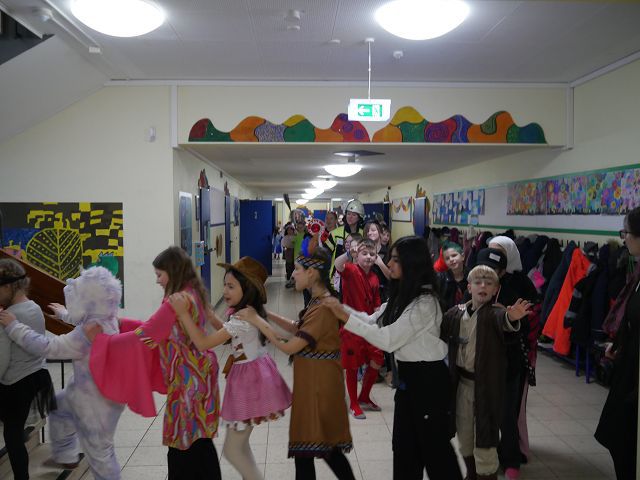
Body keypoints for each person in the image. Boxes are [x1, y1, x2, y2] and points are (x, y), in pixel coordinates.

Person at [326, 236, 463, 480]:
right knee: (404, 451)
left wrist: (343, 317)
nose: (388, 263)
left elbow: (387, 339)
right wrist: (340, 309)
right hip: (408, 383)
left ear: (412, 263)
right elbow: (371, 319)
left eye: (396, 259)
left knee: (436, 454)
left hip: (429, 383)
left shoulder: (425, 303)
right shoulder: (402, 297)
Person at [88, 246, 221, 480]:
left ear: (173, 271)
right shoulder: (193, 292)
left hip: (186, 380)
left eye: (160, 274)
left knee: (181, 445)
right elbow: (155, 328)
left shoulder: (176, 301)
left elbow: (146, 335)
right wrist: (120, 323)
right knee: (200, 438)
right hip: (201, 374)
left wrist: (102, 341)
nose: (157, 280)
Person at [235, 245, 354, 480]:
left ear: (312, 273)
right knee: (311, 450)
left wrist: (259, 322)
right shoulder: (318, 302)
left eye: (297, 269)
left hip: (320, 389)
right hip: (313, 386)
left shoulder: (323, 308)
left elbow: (290, 346)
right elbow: (296, 327)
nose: (293, 274)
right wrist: (265, 314)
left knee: (320, 448)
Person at [168, 257, 291, 480]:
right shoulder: (245, 313)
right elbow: (227, 333)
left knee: (233, 451)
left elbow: (203, 343)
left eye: (231, 286)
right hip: (254, 377)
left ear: (248, 289)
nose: (225, 290)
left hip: (250, 383)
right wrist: (209, 312)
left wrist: (183, 314)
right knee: (239, 448)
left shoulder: (242, 320)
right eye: (225, 284)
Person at [441, 264, 532, 480]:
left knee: (485, 441)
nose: (483, 286)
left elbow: (505, 321)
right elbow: (439, 326)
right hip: (461, 386)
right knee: (464, 438)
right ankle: (471, 475)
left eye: (489, 283)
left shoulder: (495, 314)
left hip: (487, 390)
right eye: (478, 282)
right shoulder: (456, 313)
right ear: (469, 287)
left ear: (495, 289)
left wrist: (512, 318)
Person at [482, 237, 539, 480]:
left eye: (495, 270)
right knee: (485, 414)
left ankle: (511, 459)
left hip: (510, 362)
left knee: (508, 413)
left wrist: (509, 317)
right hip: (481, 363)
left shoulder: (516, 288)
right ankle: (487, 457)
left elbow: (528, 323)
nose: (487, 276)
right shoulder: (475, 287)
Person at [0, 259, 56, 480]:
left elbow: (2, 359)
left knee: (12, 436)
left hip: (15, 383)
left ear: (8, 287)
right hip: (36, 376)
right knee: (15, 430)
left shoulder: (7, 317)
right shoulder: (35, 308)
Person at [595, 206, 640, 480]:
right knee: (617, 437)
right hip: (628, 367)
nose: (624, 238)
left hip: (635, 377)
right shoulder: (637, 273)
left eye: (627, 232)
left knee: (623, 441)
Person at [334, 238, 383, 419]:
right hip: (352, 327)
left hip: (369, 327)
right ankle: (354, 403)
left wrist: (379, 319)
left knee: (377, 358)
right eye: (364, 253)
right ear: (357, 255)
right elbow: (337, 265)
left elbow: (376, 304)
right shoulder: (351, 270)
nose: (368, 257)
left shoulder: (375, 278)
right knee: (352, 366)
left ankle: (364, 397)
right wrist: (348, 254)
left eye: (372, 254)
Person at [324, 199, 365, 275]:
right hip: (337, 275)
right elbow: (326, 254)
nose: (350, 217)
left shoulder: (364, 234)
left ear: (359, 217)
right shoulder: (335, 233)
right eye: (348, 214)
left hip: (358, 275)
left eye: (354, 215)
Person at [364, 221, 391, 302]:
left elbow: (391, 277)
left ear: (380, 232)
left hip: (383, 295)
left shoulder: (388, 252)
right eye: (367, 231)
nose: (369, 233)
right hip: (366, 293)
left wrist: (380, 263)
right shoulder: (362, 251)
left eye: (373, 230)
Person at [438, 241, 468, 310]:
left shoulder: (472, 276)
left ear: (463, 256)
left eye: (454, 255)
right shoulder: (440, 278)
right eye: (447, 258)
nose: (451, 259)